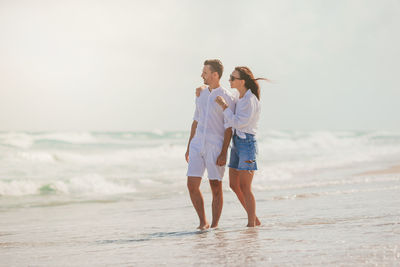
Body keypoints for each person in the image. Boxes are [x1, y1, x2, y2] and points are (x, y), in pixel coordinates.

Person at [186, 59, 237, 230]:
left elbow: (229, 128)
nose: (202, 75)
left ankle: (214, 225)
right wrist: (188, 146)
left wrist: (224, 153)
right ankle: (203, 222)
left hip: (215, 146)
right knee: (191, 185)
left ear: (215, 75)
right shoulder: (201, 95)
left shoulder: (227, 97)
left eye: (205, 72)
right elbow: (195, 121)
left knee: (216, 186)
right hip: (197, 144)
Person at [214, 66, 268, 227]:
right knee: (233, 184)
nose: (229, 80)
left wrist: (224, 107)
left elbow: (238, 122)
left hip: (247, 144)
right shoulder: (240, 97)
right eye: (230, 77)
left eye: (232, 78)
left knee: (245, 186)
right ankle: (254, 219)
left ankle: (251, 223)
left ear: (242, 81)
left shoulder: (250, 100)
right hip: (237, 142)